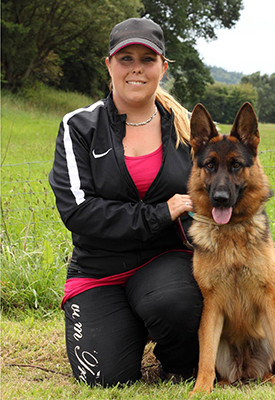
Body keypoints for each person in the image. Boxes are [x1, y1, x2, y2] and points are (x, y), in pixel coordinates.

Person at [49, 17, 203, 387]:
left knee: (175, 307)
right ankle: (127, 321)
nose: (136, 68)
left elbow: (222, 190)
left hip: (165, 262)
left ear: (163, 68)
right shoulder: (79, 127)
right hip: (98, 270)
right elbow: (79, 212)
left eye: (148, 59)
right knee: (104, 379)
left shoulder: (188, 127)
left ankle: (177, 359)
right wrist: (161, 212)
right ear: (109, 65)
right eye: (125, 58)